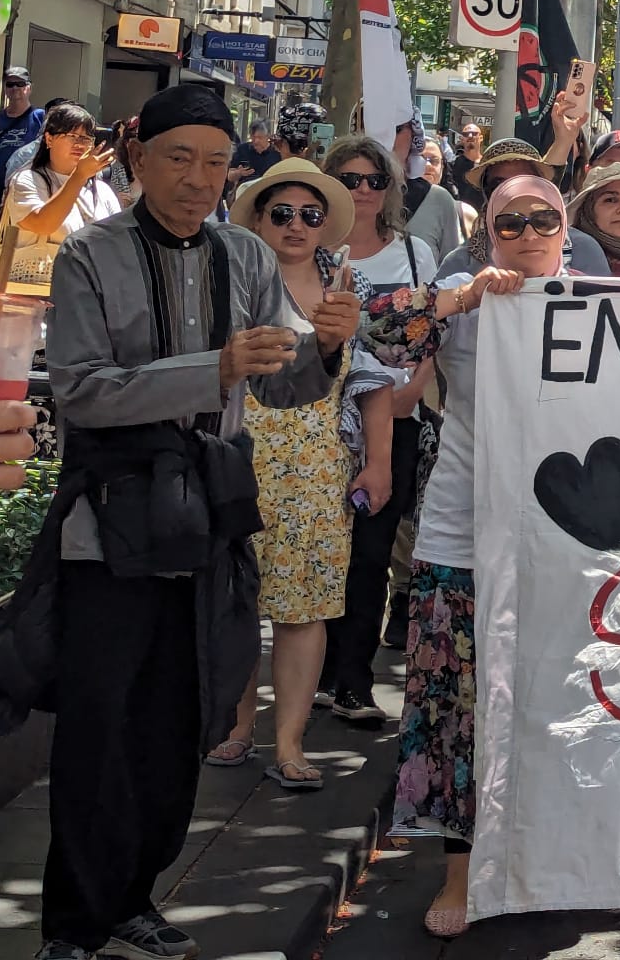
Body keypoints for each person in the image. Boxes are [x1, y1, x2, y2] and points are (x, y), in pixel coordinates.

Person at [29, 84, 357, 960]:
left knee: (182, 724)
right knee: (98, 726)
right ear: (139, 159)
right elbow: (83, 390)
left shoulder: (244, 257)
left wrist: (323, 344)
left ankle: (135, 896)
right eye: (179, 158)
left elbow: (283, 385)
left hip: (209, 519)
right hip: (110, 525)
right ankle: (72, 922)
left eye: (215, 162)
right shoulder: (91, 253)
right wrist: (211, 368)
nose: (198, 178)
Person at [361, 176, 575, 937]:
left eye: (541, 219)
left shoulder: (606, 304)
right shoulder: (459, 292)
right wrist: (458, 301)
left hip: (570, 544)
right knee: (456, 713)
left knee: (563, 706)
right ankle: (460, 868)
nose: (526, 233)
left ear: (565, 225)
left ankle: (554, 860)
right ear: (487, 232)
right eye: (508, 222)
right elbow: (372, 332)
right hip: (462, 537)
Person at [206, 158, 399, 791]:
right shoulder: (224, 281)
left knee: (305, 610)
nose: (295, 225)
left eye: (309, 215)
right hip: (237, 462)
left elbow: (370, 382)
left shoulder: (347, 284)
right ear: (257, 220)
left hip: (318, 472)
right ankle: (235, 727)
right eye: (281, 213)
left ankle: (288, 741)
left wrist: (377, 464)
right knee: (233, 603)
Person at [318, 135, 440, 727]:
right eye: (348, 179)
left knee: (370, 556)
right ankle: (314, 672)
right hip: (319, 429)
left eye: (374, 180)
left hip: (394, 425)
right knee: (323, 553)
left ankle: (353, 682)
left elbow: (430, 335)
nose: (362, 191)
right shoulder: (305, 247)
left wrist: (413, 390)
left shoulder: (416, 254)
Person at [449, 138, 609, 276]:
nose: (513, 191)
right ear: (487, 194)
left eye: (524, 181)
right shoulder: (461, 263)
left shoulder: (584, 249)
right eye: (499, 185)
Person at [2, 104, 121, 284]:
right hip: (32, 296)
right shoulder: (26, 180)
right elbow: (42, 224)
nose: (80, 144)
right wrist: (79, 176)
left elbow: (117, 243)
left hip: (86, 297)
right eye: (72, 136)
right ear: (49, 139)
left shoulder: (103, 190)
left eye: (86, 138)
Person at [393, 116, 463, 263]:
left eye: (397, 129)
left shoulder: (439, 199)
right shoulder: (344, 192)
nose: (386, 136)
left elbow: (450, 272)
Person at [0, 68, 44, 168]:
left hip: (26, 181)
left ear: (30, 88)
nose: (15, 88)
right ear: (5, 89)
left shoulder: (41, 117)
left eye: (20, 84)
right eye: (10, 84)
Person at [225, 122, 283, 197]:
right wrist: (238, 173)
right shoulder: (242, 149)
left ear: (268, 136)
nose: (256, 141)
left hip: (269, 194)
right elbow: (229, 176)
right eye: (253, 137)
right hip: (244, 193)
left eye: (260, 137)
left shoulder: (277, 153)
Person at [447, 122, 486, 209]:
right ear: (461, 139)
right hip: (459, 213)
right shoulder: (452, 164)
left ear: (481, 138)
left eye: (474, 133)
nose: (470, 136)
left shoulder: (487, 164)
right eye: (466, 134)